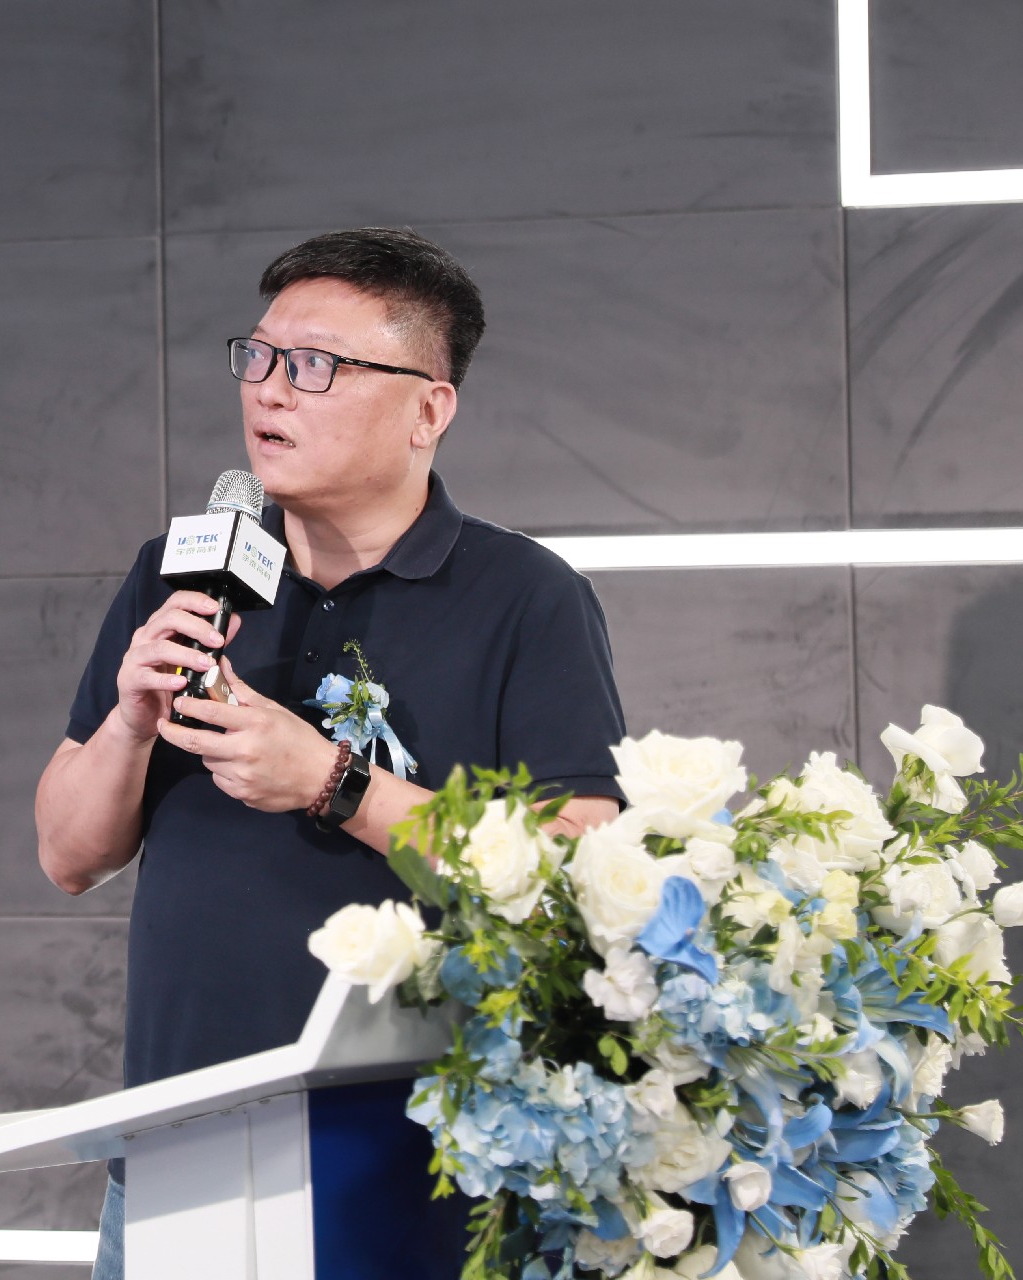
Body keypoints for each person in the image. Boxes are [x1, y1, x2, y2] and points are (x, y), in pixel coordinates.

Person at [33, 227, 627, 1278]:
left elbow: (575, 872)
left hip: (411, 1180)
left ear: (428, 409)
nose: (269, 390)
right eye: (258, 356)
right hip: (178, 1168)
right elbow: (67, 854)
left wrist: (332, 781)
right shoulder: (181, 573)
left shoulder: (525, 597)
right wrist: (128, 720)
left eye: (315, 365)